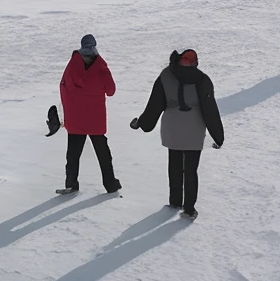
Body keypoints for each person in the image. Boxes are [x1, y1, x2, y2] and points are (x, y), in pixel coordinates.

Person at [132, 48, 224, 219]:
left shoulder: (166, 76)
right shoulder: (202, 79)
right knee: (190, 169)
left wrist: (143, 123)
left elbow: (155, 104)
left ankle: (175, 202)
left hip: (172, 128)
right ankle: (189, 208)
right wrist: (218, 135)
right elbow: (209, 109)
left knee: (174, 165)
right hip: (194, 130)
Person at [57, 34, 120, 194]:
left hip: (76, 117)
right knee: (103, 153)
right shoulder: (100, 66)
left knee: (73, 153)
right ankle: (110, 184)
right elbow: (111, 91)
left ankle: (71, 184)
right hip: (95, 119)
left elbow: (63, 87)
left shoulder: (72, 65)